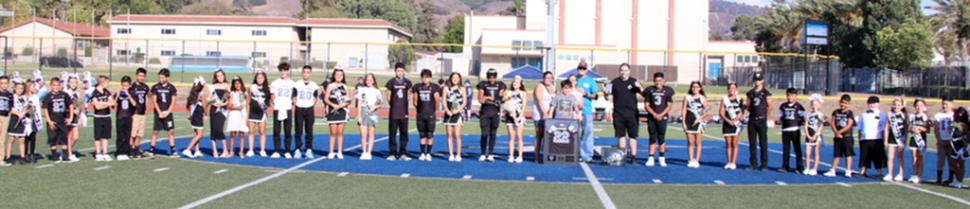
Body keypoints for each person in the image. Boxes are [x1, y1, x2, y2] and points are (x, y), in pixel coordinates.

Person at [607, 63, 643, 164]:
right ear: (619, 71)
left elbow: (644, 94)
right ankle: (623, 155)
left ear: (629, 71)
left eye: (625, 70)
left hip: (632, 113)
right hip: (619, 113)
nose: (623, 72)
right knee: (621, 136)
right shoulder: (614, 82)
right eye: (622, 70)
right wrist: (606, 93)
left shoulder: (633, 81)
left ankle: (634, 156)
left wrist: (638, 86)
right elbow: (608, 97)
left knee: (633, 136)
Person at [643, 72, 674, 167]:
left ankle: (661, 158)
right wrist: (654, 114)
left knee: (661, 138)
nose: (658, 83)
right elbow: (647, 105)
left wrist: (661, 114)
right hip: (652, 117)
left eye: (660, 81)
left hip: (663, 117)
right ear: (653, 81)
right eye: (656, 81)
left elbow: (669, 105)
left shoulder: (668, 90)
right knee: (652, 137)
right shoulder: (650, 90)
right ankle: (651, 157)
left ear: (663, 81)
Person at [745, 72, 773, 171]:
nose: (757, 82)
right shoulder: (750, 93)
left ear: (762, 81)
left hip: (761, 120)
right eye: (756, 80)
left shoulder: (766, 93)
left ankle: (764, 164)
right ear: (753, 80)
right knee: (752, 143)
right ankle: (753, 163)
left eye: (759, 80)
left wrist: (764, 115)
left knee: (763, 142)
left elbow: (770, 106)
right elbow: (748, 106)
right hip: (752, 119)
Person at [386, 62, 413, 161]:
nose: (400, 73)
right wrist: (395, 105)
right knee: (392, 133)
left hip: (403, 112)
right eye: (398, 71)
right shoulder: (391, 82)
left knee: (404, 133)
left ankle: (403, 152)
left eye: (401, 71)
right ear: (395, 71)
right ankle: (392, 152)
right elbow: (388, 97)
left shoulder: (407, 82)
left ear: (404, 71)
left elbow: (408, 95)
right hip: (394, 112)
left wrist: (402, 105)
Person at [477, 68, 506, 162]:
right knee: (484, 133)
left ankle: (490, 153)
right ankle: (482, 153)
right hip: (485, 112)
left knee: (493, 134)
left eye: (493, 77)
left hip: (495, 113)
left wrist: (492, 100)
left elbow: (499, 100)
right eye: (490, 77)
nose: (492, 79)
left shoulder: (500, 85)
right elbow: (481, 99)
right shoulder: (483, 84)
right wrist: (489, 97)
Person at [412, 69, 441, 162]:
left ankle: (428, 153)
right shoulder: (417, 87)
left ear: (430, 78)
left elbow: (437, 101)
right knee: (422, 135)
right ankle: (422, 153)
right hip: (420, 113)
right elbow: (415, 102)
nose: (425, 79)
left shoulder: (434, 87)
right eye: (423, 77)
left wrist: (432, 110)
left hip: (430, 113)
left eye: (427, 77)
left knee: (429, 134)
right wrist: (420, 109)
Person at [824, 94, 855, 177]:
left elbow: (849, 124)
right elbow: (833, 123)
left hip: (847, 136)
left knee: (848, 154)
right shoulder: (836, 112)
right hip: (838, 137)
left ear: (849, 104)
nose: (843, 105)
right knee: (836, 154)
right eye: (842, 103)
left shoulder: (849, 113)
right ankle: (833, 170)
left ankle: (848, 171)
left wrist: (840, 132)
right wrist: (836, 132)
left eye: (845, 103)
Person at [270, 63, 297, 159]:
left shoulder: (292, 83)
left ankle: (287, 150)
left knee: (287, 130)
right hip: (278, 108)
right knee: (276, 130)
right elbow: (272, 95)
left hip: (287, 108)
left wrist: (293, 103)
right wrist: (276, 102)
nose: (283, 72)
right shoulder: (275, 83)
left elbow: (294, 96)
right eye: (281, 70)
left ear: (288, 71)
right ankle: (276, 150)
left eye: (285, 70)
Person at [43, 77, 73, 163]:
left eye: (58, 85)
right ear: (51, 86)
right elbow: (45, 109)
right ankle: (54, 156)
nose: (56, 87)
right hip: (53, 121)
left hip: (62, 121)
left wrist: (70, 117)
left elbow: (70, 105)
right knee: (53, 139)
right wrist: (49, 121)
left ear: (60, 85)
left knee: (64, 139)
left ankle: (65, 155)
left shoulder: (64, 95)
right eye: (54, 85)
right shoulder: (48, 96)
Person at [574, 61, 599, 163]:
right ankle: (574, 153)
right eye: (580, 68)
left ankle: (587, 155)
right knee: (573, 133)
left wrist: (585, 94)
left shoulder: (591, 81)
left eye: (583, 68)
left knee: (587, 134)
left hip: (586, 111)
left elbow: (596, 96)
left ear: (587, 70)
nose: (581, 70)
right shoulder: (573, 79)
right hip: (574, 111)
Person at [856, 96, 887, 178]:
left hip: (876, 139)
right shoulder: (863, 114)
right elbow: (859, 128)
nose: (872, 105)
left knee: (878, 157)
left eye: (874, 103)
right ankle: (863, 171)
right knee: (864, 156)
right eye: (870, 103)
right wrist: (860, 138)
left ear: (878, 104)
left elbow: (884, 129)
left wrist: (884, 140)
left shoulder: (882, 115)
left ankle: (879, 172)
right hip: (865, 138)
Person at [150, 68, 178, 157]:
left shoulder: (171, 88)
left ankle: (173, 151)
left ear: (167, 78)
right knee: (155, 131)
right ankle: (152, 150)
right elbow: (154, 101)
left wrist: (167, 112)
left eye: (162, 78)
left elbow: (173, 101)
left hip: (167, 113)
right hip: (159, 112)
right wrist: (159, 112)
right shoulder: (155, 87)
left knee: (171, 131)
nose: (160, 80)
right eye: (159, 78)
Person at [324, 69, 351, 160]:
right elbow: (326, 99)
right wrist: (333, 105)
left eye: (341, 75)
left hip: (342, 110)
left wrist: (341, 105)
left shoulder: (345, 87)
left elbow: (348, 99)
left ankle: (339, 151)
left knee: (340, 132)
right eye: (337, 75)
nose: (339, 76)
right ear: (334, 76)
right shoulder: (330, 86)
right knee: (333, 132)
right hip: (332, 111)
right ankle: (331, 152)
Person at [293, 65, 318, 159]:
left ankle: (308, 149)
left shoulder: (313, 85)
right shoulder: (297, 84)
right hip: (299, 108)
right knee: (298, 130)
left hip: (309, 109)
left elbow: (315, 97)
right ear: (302, 73)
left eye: (308, 72)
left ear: (310, 74)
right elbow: (294, 96)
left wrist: (310, 105)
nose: (306, 74)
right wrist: (297, 104)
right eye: (304, 72)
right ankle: (298, 149)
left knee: (309, 130)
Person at [356, 73, 382, 160]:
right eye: (367, 80)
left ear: (373, 81)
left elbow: (380, 103)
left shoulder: (377, 91)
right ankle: (364, 152)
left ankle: (369, 152)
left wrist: (374, 107)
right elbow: (359, 103)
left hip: (372, 113)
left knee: (371, 134)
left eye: (370, 80)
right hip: (363, 112)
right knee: (363, 134)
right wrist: (359, 115)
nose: (369, 82)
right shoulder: (362, 90)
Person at [778, 88, 805, 173]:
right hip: (785, 130)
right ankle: (785, 166)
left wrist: (798, 125)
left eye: (792, 95)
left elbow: (802, 119)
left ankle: (799, 167)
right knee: (786, 149)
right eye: (788, 95)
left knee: (797, 149)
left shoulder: (799, 106)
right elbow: (781, 117)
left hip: (795, 130)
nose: (790, 97)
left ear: (796, 96)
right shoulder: (783, 106)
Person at [681, 81, 707, 168]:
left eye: (696, 87)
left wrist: (699, 119)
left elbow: (706, 111)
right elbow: (684, 110)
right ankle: (691, 159)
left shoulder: (703, 98)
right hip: (689, 121)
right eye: (693, 87)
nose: (695, 88)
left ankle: (697, 160)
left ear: (700, 88)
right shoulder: (687, 98)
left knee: (698, 142)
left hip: (699, 122)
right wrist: (683, 122)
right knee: (690, 142)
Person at [719, 83, 744, 170]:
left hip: (736, 124)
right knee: (728, 144)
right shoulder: (724, 99)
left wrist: (738, 117)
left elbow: (742, 111)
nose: (732, 90)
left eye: (734, 88)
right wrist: (728, 121)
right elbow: (721, 113)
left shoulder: (739, 99)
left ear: (736, 89)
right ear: (727, 89)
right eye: (730, 88)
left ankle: (733, 162)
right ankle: (729, 162)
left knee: (734, 143)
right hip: (727, 123)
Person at [443, 73, 466, 162]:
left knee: (457, 135)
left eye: (457, 77)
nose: (455, 79)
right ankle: (451, 154)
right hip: (449, 113)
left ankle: (458, 154)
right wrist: (447, 110)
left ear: (459, 79)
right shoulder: (446, 89)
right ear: (450, 78)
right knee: (449, 135)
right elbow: (444, 101)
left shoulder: (462, 89)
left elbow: (464, 102)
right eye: (453, 77)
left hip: (458, 113)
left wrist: (458, 110)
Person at [206, 70, 230, 158]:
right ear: (215, 77)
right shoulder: (212, 87)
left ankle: (225, 150)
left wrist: (223, 104)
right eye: (218, 76)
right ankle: (214, 150)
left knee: (220, 129)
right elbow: (208, 100)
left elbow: (229, 98)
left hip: (222, 110)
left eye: (221, 75)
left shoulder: (227, 86)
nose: (220, 77)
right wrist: (213, 103)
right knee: (213, 130)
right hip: (214, 110)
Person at [532, 72, 555, 163]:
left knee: (548, 137)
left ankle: (547, 155)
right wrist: (545, 113)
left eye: (550, 78)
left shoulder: (553, 87)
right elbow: (539, 101)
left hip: (550, 116)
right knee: (539, 136)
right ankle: (537, 156)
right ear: (543, 78)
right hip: (540, 115)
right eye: (547, 77)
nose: (549, 79)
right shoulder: (539, 87)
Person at [932, 96, 956, 185]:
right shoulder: (938, 116)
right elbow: (936, 129)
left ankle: (950, 179)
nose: (944, 106)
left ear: (952, 104)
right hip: (942, 140)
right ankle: (939, 179)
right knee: (940, 160)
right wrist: (939, 140)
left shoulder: (954, 115)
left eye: (947, 104)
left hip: (952, 142)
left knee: (952, 161)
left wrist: (952, 140)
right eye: (943, 104)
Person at [503, 75, 527, 163]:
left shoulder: (523, 93)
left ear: (520, 84)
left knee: (519, 136)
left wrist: (519, 117)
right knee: (511, 137)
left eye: (517, 82)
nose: (515, 83)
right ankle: (511, 155)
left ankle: (520, 156)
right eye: (514, 82)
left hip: (519, 116)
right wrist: (509, 112)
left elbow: (524, 106)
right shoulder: (508, 93)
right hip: (510, 117)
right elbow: (505, 104)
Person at [182, 77, 207, 158]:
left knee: (196, 133)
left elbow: (187, 105)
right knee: (200, 134)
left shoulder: (193, 93)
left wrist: (188, 114)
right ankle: (188, 149)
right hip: (198, 113)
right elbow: (204, 105)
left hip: (194, 114)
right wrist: (206, 114)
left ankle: (196, 150)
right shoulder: (201, 93)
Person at [91, 75, 114, 161]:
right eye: (107, 83)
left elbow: (112, 103)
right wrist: (105, 103)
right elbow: (97, 107)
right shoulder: (95, 93)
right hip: (98, 117)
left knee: (105, 136)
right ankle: (98, 152)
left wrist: (103, 103)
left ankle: (105, 152)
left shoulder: (106, 92)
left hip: (107, 116)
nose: (108, 85)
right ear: (102, 83)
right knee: (98, 136)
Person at [247, 71, 271, 157]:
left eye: (261, 78)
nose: (259, 79)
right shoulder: (252, 87)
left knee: (262, 131)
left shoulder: (268, 88)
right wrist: (247, 114)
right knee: (251, 131)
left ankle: (262, 150)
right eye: (258, 78)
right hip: (252, 112)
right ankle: (250, 150)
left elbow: (268, 101)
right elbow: (248, 101)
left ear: (264, 79)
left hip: (262, 112)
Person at [113, 76, 136, 161]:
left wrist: (128, 95)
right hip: (120, 116)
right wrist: (117, 96)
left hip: (128, 117)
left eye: (126, 86)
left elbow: (134, 104)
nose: (124, 87)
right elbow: (113, 105)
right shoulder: (118, 93)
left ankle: (126, 151)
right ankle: (119, 152)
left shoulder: (132, 93)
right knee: (120, 136)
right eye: (123, 86)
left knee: (127, 135)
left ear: (130, 85)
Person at [885, 97, 908, 181]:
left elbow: (906, 129)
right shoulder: (890, 115)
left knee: (900, 157)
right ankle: (890, 173)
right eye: (895, 104)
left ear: (902, 106)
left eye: (898, 105)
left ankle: (900, 174)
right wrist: (885, 140)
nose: (896, 106)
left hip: (900, 139)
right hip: (892, 139)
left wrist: (904, 140)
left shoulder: (904, 115)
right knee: (890, 157)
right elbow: (887, 128)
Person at [130, 68, 151, 159]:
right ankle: (130, 149)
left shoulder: (145, 87)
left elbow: (149, 97)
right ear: (136, 76)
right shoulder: (132, 87)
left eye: (143, 76)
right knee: (132, 133)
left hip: (142, 112)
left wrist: (148, 108)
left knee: (139, 133)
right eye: (139, 76)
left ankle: (136, 149)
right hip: (135, 113)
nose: (141, 78)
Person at [227, 76, 250, 158]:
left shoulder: (244, 93)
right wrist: (236, 107)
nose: (237, 85)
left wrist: (247, 116)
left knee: (241, 134)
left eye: (238, 83)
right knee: (233, 134)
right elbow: (229, 106)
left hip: (242, 114)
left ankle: (241, 152)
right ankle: (231, 151)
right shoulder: (232, 93)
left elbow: (247, 105)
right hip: (234, 114)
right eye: (235, 84)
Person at [7, 81, 28, 165]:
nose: (20, 90)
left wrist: (25, 112)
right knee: (11, 138)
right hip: (14, 119)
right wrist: (17, 113)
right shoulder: (12, 97)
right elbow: (9, 109)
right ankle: (8, 156)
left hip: (22, 120)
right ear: (14, 88)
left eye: (21, 89)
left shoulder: (24, 98)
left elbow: (27, 107)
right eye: (18, 88)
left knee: (22, 139)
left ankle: (22, 157)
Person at [946, 107, 968, 188]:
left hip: (962, 145)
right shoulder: (953, 123)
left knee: (961, 163)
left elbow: (968, 136)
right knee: (953, 162)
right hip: (954, 144)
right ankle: (958, 179)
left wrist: (966, 146)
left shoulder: (964, 125)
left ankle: (959, 181)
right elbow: (951, 132)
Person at [908, 98, 929, 184]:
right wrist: (912, 129)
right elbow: (909, 128)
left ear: (924, 106)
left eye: (921, 105)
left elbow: (927, 129)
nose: (919, 107)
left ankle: (919, 175)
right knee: (914, 157)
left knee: (919, 157)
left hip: (921, 139)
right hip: (913, 138)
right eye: (917, 105)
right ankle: (915, 174)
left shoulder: (925, 117)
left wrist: (920, 128)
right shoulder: (912, 116)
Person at [803, 94, 825, 175]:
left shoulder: (821, 114)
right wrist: (808, 135)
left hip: (817, 136)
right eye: (812, 104)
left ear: (819, 105)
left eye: (816, 105)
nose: (814, 106)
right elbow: (805, 125)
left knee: (816, 152)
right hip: (809, 135)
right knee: (807, 152)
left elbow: (822, 125)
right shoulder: (808, 114)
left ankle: (815, 169)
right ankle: (807, 167)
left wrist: (815, 135)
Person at [64, 75, 81, 161]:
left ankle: (65, 152)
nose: (73, 84)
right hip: (68, 116)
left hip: (75, 117)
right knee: (69, 135)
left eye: (75, 82)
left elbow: (78, 106)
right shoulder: (66, 93)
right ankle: (68, 154)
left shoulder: (77, 94)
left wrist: (80, 117)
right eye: (71, 82)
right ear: (68, 83)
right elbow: (64, 106)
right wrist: (71, 111)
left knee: (75, 137)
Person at [0, 76, 10, 165]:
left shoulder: (9, 95)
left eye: (5, 83)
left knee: (2, 139)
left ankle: (1, 158)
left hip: (5, 117)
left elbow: (11, 107)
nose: (3, 85)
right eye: (1, 83)